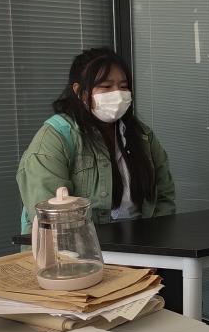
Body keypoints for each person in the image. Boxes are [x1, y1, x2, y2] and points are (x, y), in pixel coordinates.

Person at [17, 47, 175, 232]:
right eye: (106, 86)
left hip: (143, 243)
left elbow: (164, 195)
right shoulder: (55, 138)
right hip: (80, 244)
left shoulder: (142, 135)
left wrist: (157, 239)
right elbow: (49, 218)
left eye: (123, 86)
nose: (117, 94)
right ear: (80, 91)